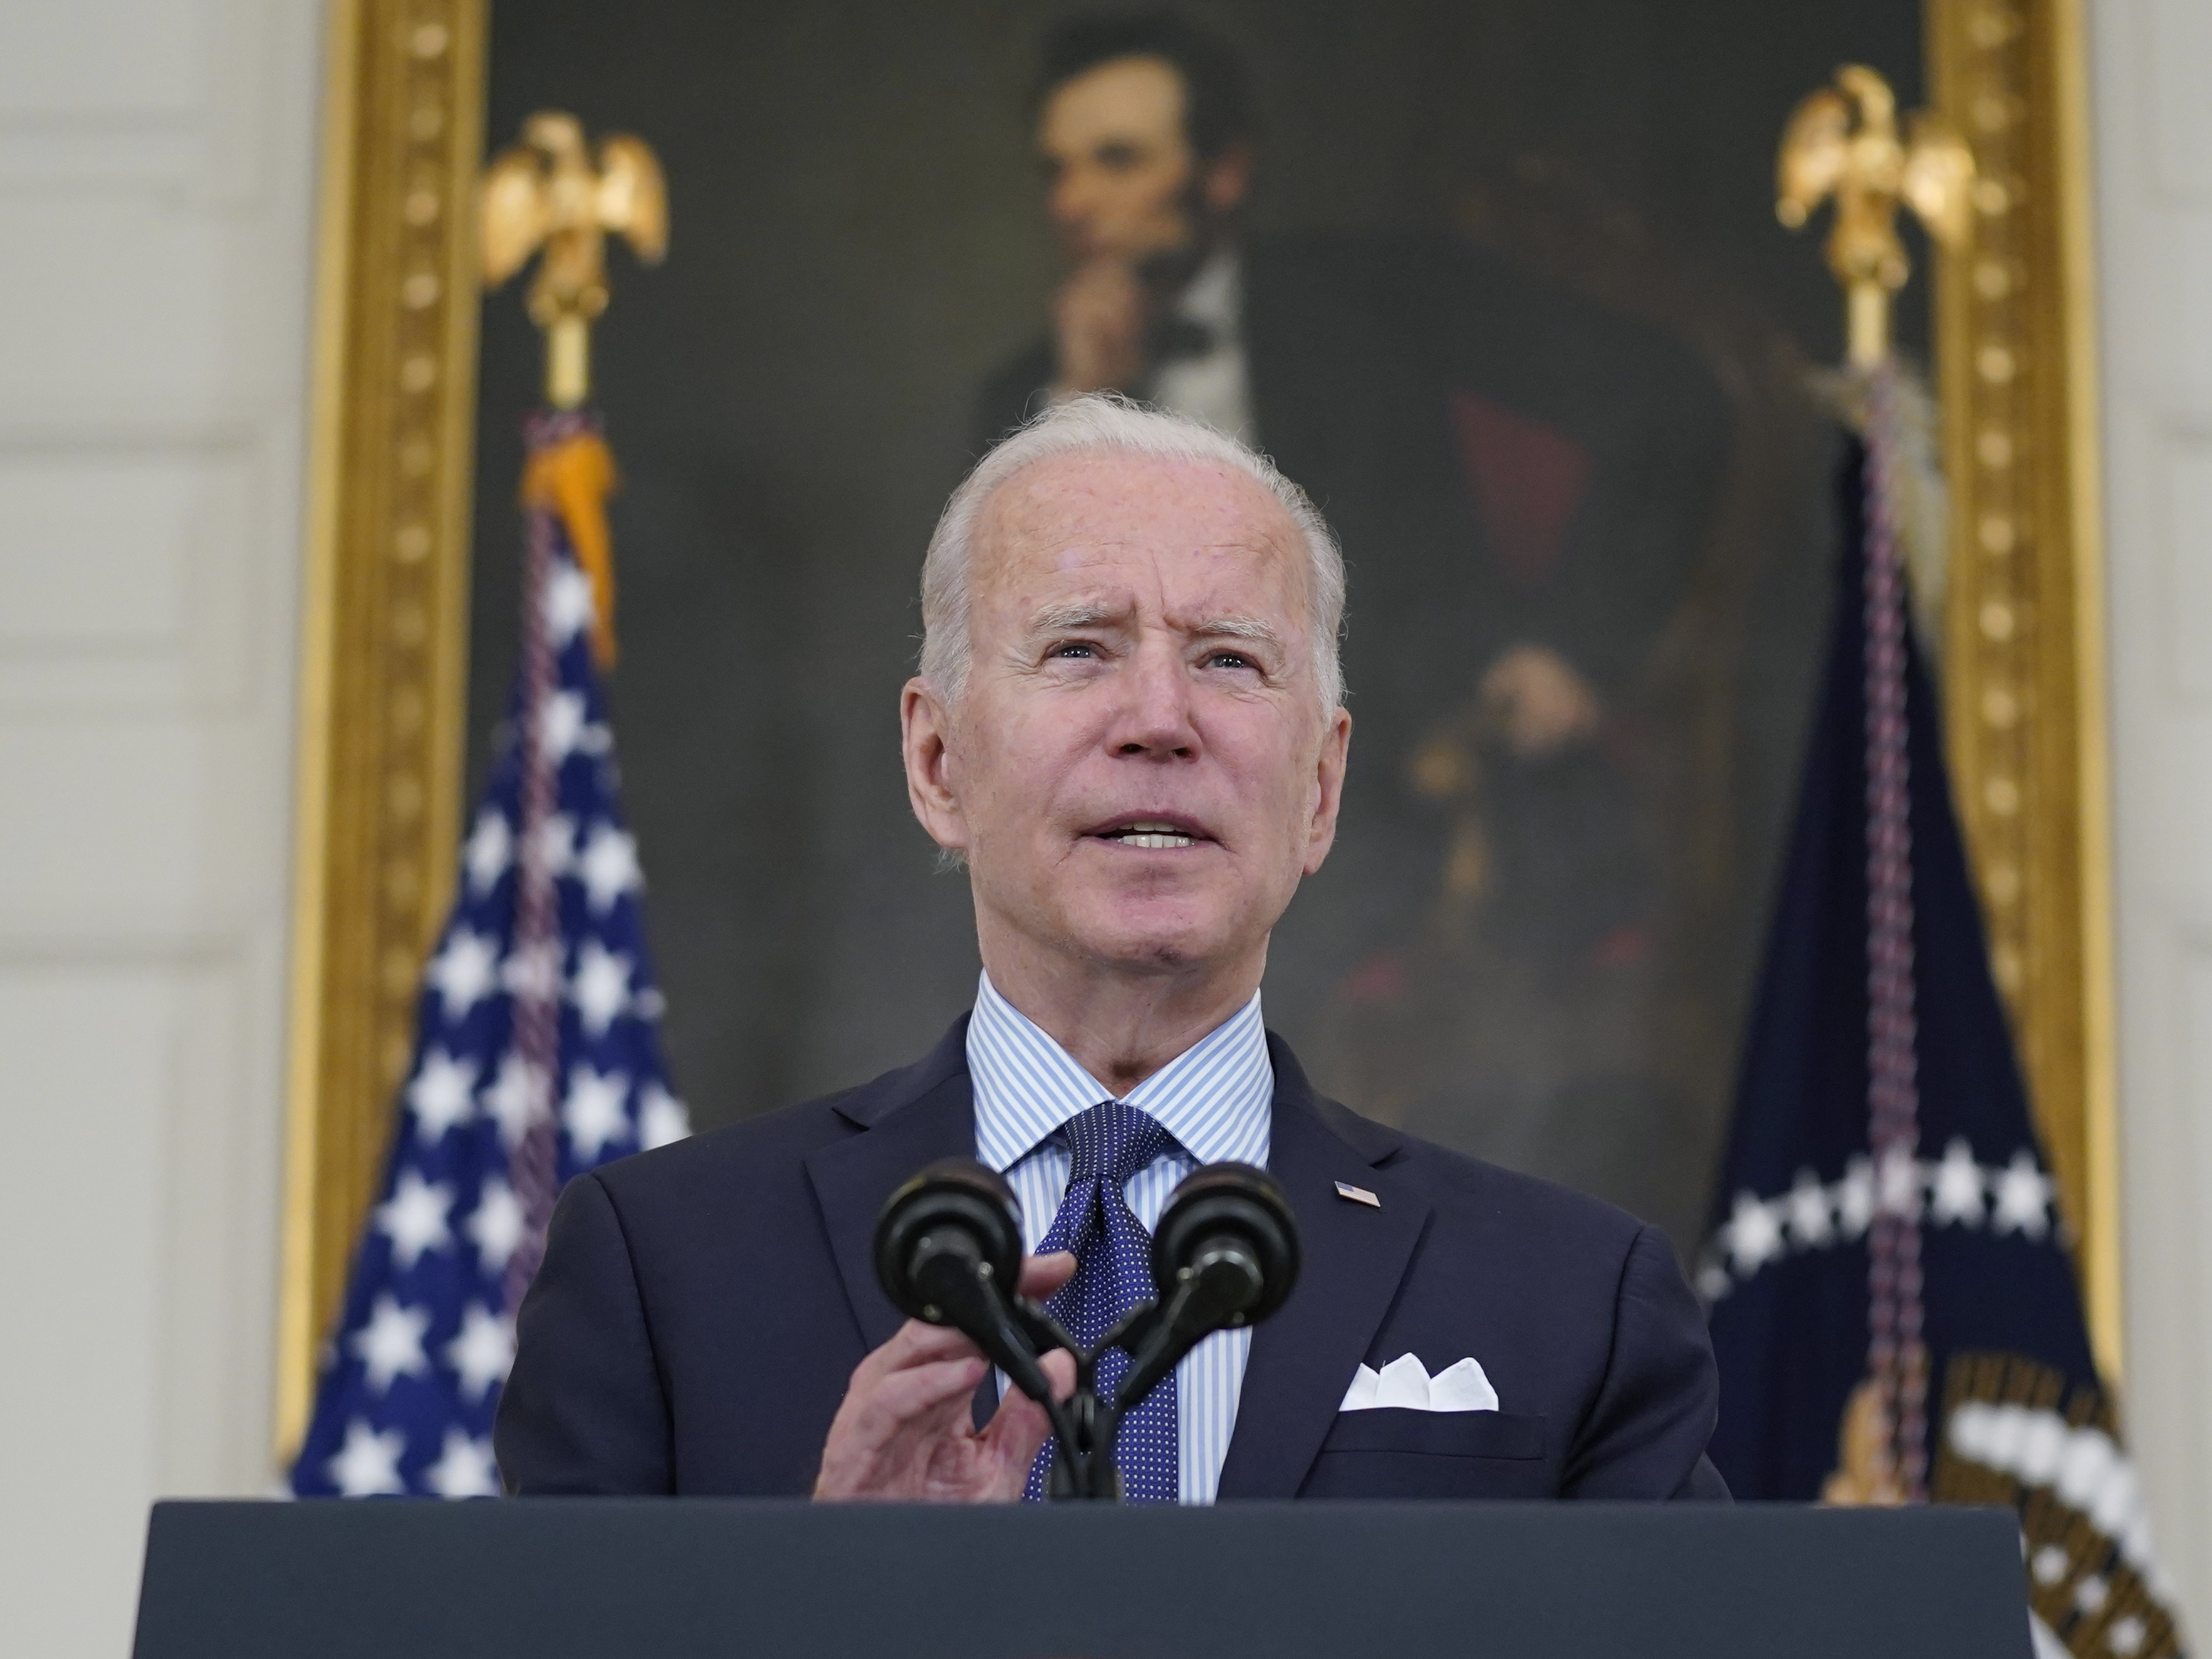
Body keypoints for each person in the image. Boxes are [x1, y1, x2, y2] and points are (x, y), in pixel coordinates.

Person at [495, 396, 1726, 1502]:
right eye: (1079, 647)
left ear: (1321, 788)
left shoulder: (1577, 1301)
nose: (1158, 720)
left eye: (1228, 660)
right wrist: (841, 1616)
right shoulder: (663, 1272)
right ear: (937, 763)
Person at [975, 14, 1738, 1245]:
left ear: (1221, 173)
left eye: (1117, 160)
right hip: (1141, 826)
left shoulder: (1380, 299)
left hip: (1409, 786)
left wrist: (1574, 644)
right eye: (1059, 169)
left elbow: (1674, 402)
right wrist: (1076, 401)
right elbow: (998, 661)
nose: (1078, 203)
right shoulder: (1022, 395)